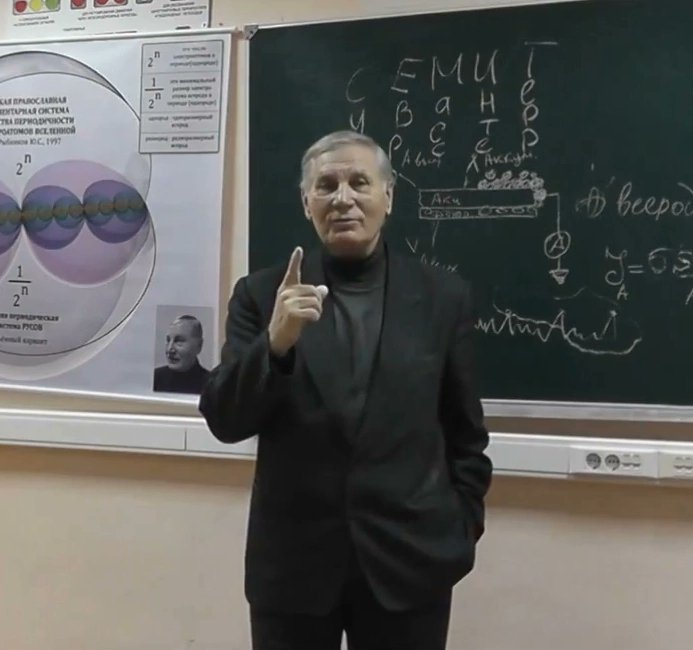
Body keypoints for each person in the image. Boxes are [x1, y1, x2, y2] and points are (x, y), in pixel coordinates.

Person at [199, 130, 492, 650]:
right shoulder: (262, 295)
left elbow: (465, 432)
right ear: (306, 202)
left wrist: (460, 527)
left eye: (359, 182)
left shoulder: (442, 298)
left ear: (388, 197)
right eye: (326, 185)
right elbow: (225, 420)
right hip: (293, 570)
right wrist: (275, 343)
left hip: (411, 562)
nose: (343, 198)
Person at [153, 314, 209, 394]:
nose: (170, 349)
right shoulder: (155, 378)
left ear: (199, 345)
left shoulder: (211, 384)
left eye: (179, 341)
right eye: (168, 340)